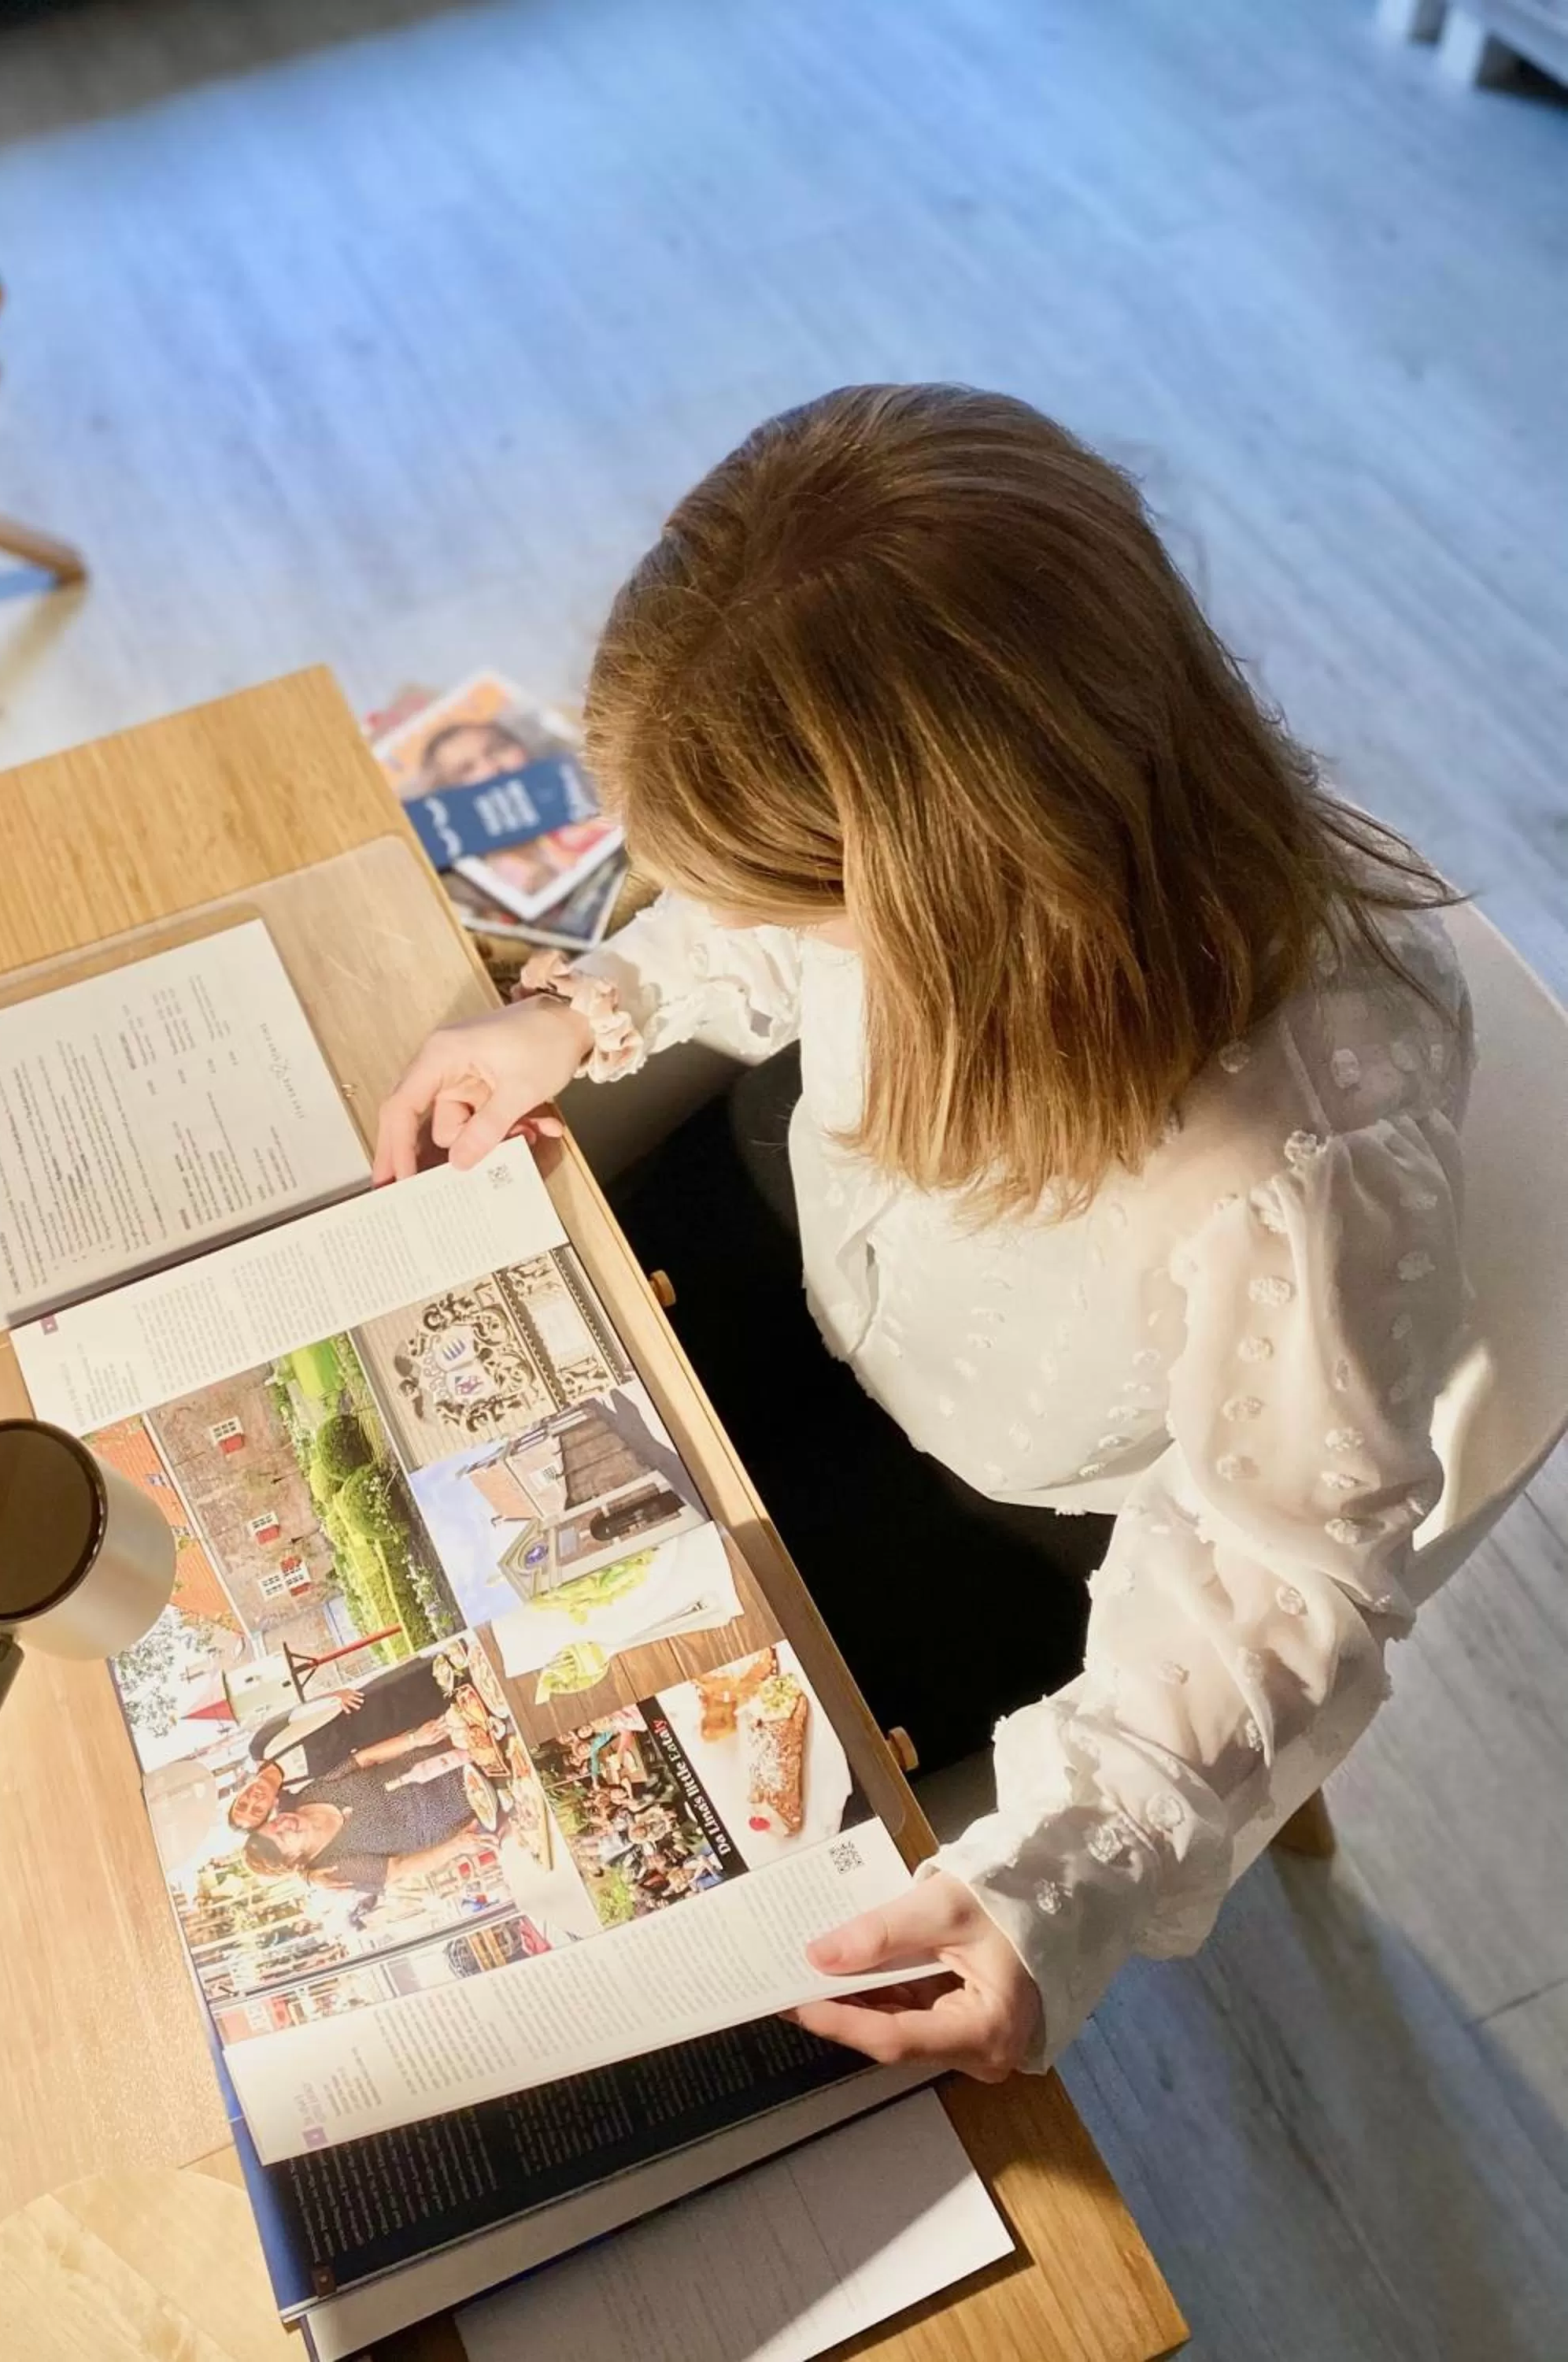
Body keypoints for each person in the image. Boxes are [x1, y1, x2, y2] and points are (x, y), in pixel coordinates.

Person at [372, 385, 1474, 2085]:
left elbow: (1285, 1570)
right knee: (416, 1432)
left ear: (964, 893)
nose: (759, 925)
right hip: (805, 1227)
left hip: (1000, 1503)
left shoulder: (1288, 1160)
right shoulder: (983, 855)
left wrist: (1073, 1873)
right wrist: (592, 1007)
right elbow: (758, 941)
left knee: (612, 1817)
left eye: (800, 899)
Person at [227, 1656, 453, 1831]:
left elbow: (295, 1711)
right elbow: (361, 1762)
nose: (253, 1800)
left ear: (237, 1795)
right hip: (382, 1732)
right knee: (447, 1696)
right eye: (257, 1811)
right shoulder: (299, 1793)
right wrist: (413, 1740)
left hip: (364, 1699)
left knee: (435, 1667)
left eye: (242, 1803)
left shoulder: (260, 1746)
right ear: (269, 1812)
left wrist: (335, 1695)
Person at [242, 1758, 484, 1900]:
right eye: (283, 1837)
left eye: (275, 1824)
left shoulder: (309, 1795)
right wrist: (458, 1846)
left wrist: (415, 1738)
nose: (284, 1825)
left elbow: (361, 1760)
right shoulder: (332, 1869)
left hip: (430, 1760)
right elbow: (399, 1869)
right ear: (292, 1857)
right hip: (450, 1806)